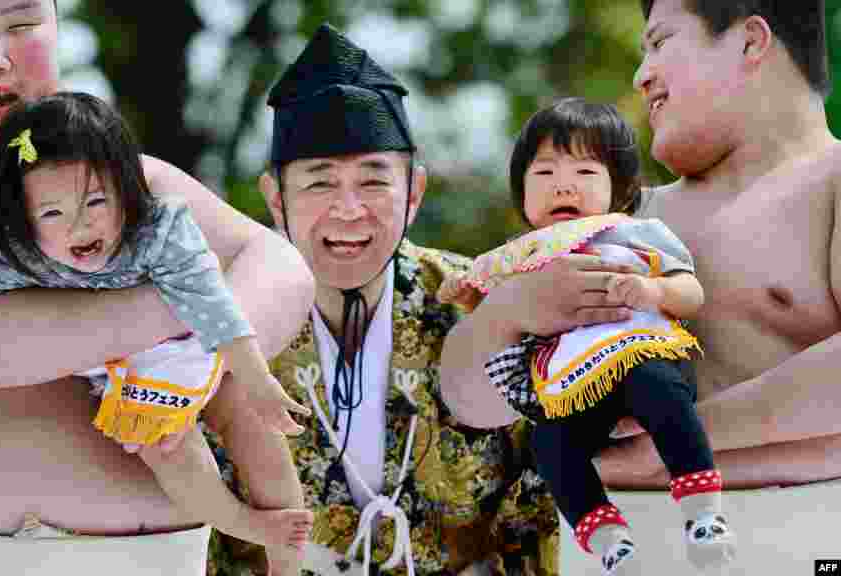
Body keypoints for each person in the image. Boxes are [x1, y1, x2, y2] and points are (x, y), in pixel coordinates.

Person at [0, 1, 315, 574]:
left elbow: (280, 264)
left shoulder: (129, 176)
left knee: (245, 411)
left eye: (22, 25)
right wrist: (192, 302)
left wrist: (193, 364)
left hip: (172, 559)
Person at [441, 0, 841, 571]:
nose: (641, 74)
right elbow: (468, 402)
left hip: (800, 545)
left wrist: (671, 441)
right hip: (616, 548)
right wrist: (507, 311)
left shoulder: (832, 181)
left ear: (750, 42)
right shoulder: (615, 224)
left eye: (659, 42)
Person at [205, 23, 560, 576]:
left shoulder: (485, 301)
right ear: (276, 197)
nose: (349, 209)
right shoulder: (223, 317)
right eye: (319, 183)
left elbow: (538, 501)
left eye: (374, 182)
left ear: (414, 192)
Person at [439, 98, 734, 575]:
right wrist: (467, 293)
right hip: (573, 382)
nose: (563, 184)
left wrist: (650, 290)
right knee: (550, 444)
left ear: (619, 190)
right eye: (544, 173)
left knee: (659, 390)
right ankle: (609, 541)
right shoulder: (519, 255)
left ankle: (703, 513)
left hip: (643, 353)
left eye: (584, 172)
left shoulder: (636, 232)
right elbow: (488, 310)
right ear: (522, 194)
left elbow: (691, 292)